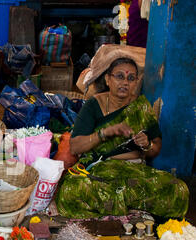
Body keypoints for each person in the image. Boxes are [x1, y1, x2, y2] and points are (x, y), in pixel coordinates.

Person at [55, 57, 189, 219]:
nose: (125, 82)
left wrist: (147, 145)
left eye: (131, 78)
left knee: (178, 190)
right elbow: (75, 147)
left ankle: (120, 210)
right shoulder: (93, 105)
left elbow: (156, 148)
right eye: (119, 76)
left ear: (135, 82)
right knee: (69, 192)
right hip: (100, 170)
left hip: (134, 171)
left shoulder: (141, 107)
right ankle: (134, 212)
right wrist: (105, 132)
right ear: (108, 79)